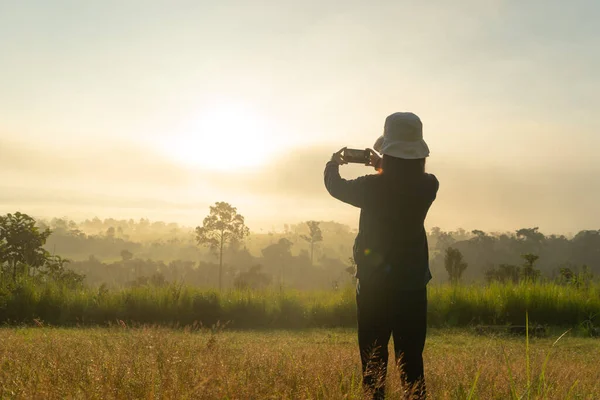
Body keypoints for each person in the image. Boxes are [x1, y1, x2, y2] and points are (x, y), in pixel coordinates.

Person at [324, 112, 439, 400]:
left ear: (387, 151)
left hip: (374, 288)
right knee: (411, 362)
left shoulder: (370, 187)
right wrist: (381, 164)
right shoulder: (429, 186)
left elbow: (335, 186)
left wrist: (333, 163)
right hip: (413, 288)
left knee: (373, 365)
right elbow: (403, 180)